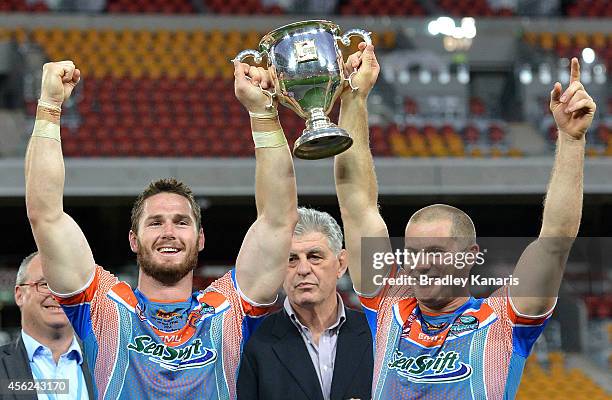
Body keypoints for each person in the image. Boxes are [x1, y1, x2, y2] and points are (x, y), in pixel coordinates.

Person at [335, 43, 596, 399]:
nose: (421, 265)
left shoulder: (503, 320)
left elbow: (556, 238)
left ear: (470, 256)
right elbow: (356, 205)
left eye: (436, 253)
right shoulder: (389, 305)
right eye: (412, 254)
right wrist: (354, 96)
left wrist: (571, 139)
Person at [24, 60, 298, 399]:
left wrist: (262, 113)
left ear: (200, 239)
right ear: (134, 240)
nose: (169, 231)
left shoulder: (228, 309)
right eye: (155, 222)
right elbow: (45, 215)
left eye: (181, 222)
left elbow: (278, 219)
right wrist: (49, 107)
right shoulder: (105, 306)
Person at [236, 207, 373, 400]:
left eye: (314, 257)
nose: (303, 269)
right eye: (291, 259)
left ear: (341, 264)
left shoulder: (376, 333)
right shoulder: (255, 340)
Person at [0, 252, 94, 400]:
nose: (59, 295)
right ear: (19, 295)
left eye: (67, 285)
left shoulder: (110, 366)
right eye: (45, 284)